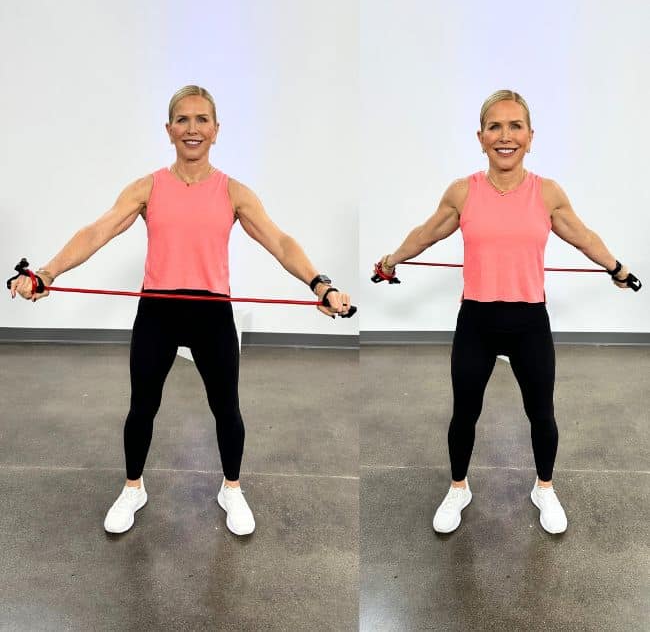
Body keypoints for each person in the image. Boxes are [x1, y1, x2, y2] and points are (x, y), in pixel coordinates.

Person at [10, 84, 353, 536]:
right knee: (142, 407)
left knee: (226, 408)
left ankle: (231, 488)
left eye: (201, 120)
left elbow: (279, 241)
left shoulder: (234, 192)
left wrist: (319, 283)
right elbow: (97, 232)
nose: (192, 129)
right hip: (158, 310)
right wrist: (46, 273)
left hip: (212, 313)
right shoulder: (148, 187)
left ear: (216, 130)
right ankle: (134, 487)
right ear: (169, 129)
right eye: (183, 120)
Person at [373, 89, 638, 534]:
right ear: (480, 137)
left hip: (529, 322)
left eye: (515, 126)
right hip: (476, 320)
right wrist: (390, 261)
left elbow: (583, 235)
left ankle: (545, 488)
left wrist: (616, 267)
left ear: (531, 137)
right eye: (494, 127)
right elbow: (427, 232)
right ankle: (459, 488)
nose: (505, 136)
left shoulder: (547, 193)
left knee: (542, 414)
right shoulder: (464, 192)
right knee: (464, 413)